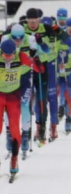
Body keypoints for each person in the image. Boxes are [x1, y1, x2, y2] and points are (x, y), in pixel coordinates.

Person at [0, 39, 33, 182]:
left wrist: (34, 57)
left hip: (14, 96)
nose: (7, 58)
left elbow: (39, 68)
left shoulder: (20, 56)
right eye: (4, 55)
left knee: (14, 128)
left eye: (10, 55)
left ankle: (14, 158)